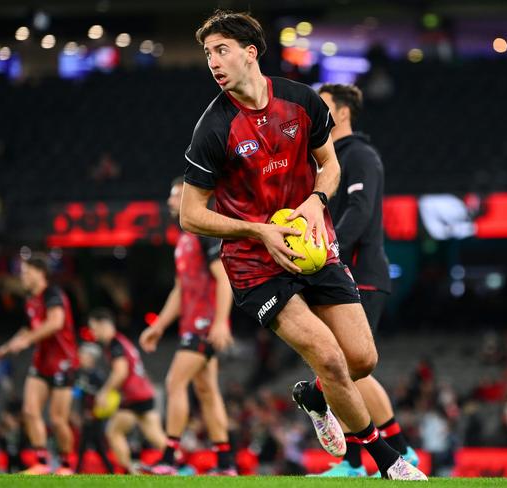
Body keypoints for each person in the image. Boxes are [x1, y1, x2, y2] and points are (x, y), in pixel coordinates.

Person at [179, 10, 426, 481]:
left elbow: (329, 165)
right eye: (208, 53)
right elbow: (190, 215)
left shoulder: (302, 101)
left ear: (251, 52)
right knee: (329, 357)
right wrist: (259, 232)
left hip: (314, 244)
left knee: (361, 359)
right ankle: (387, 460)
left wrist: (316, 201)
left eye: (222, 49)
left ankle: (314, 397)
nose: (213, 60)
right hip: (256, 265)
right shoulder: (212, 128)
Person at [309, 83, 418, 477]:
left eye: (321, 107)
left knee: (344, 367)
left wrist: (325, 249)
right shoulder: (324, 160)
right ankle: (400, 448)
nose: (313, 113)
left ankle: (355, 462)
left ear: (341, 113)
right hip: (339, 273)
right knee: (353, 369)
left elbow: (361, 208)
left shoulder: (360, 155)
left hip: (360, 274)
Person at [139, 177, 236, 476]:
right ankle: (225, 463)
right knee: (206, 391)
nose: (170, 200)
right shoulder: (185, 238)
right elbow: (180, 291)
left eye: (175, 194)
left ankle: (169, 457)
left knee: (174, 383)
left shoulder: (205, 232)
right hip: (193, 323)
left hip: (203, 324)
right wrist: (159, 326)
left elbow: (224, 279)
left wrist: (220, 322)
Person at [0, 253, 78, 475]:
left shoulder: (53, 294)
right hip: (42, 362)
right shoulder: (31, 300)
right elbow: (27, 330)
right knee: (30, 411)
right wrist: (6, 348)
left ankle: (67, 465)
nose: (23, 277)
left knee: (58, 420)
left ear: (41, 273)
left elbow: (56, 322)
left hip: (63, 362)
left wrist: (28, 341)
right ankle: (41, 462)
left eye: (27, 272)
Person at [87, 308, 167, 474]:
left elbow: (120, 372)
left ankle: (129, 471)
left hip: (134, 396)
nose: (93, 334)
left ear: (104, 325)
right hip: (144, 393)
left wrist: (104, 392)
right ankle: (179, 464)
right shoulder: (122, 341)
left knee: (113, 431)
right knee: (154, 434)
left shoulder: (115, 344)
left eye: (94, 328)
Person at [73, 342, 115, 474]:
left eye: (83, 355)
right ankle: (78, 472)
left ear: (91, 357)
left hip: (97, 418)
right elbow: (78, 395)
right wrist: (76, 413)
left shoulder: (98, 376)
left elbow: (106, 398)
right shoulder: (80, 375)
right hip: (85, 418)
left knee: (98, 446)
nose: (80, 358)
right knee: (84, 446)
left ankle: (111, 471)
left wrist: (94, 413)